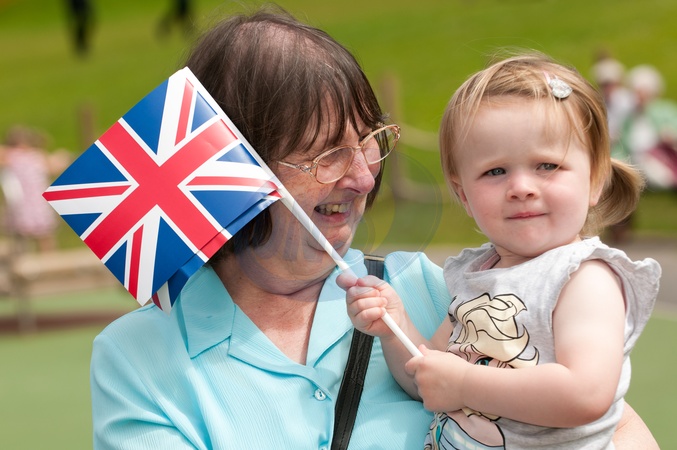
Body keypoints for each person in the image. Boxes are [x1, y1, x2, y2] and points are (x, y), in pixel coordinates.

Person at [89, 8, 658, 449]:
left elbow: (609, 424)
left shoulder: (434, 288)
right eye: (327, 154)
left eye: (369, 142)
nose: (364, 177)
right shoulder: (140, 359)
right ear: (239, 170)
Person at [342, 53, 661, 449]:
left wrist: (465, 384)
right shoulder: (477, 276)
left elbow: (585, 394)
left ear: (595, 180)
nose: (521, 187)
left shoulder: (585, 278)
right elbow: (429, 379)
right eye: (495, 171)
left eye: (547, 165)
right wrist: (395, 326)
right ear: (463, 194)